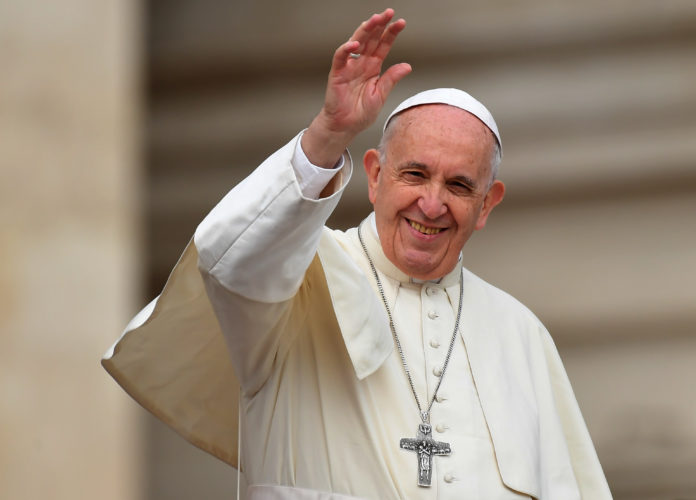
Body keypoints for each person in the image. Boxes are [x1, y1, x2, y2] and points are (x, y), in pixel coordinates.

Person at [103, 8, 611, 499]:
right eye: (414, 174)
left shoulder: (522, 336)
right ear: (373, 175)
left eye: (458, 185)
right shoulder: (295, 281)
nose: (431, 204)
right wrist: (329, 134)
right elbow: (227, 257)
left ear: (486, 205)